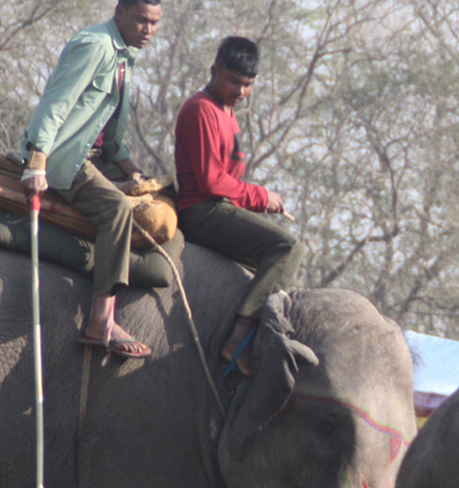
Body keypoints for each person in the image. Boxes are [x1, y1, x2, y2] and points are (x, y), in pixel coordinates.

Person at [21, 0, 161, 362]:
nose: (149, 30)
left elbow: (110, 138)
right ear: (120, 12)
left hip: (97, 156)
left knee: (159, 203)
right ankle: (101, 319)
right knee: (116, 208)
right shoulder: (95, 45)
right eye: (142, 20)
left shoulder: (124, 56)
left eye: (155, 23)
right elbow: (56, 103)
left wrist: (134, 172)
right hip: (66, 156)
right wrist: (37, 161)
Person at [174, 36, 308, 374]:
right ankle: (239, 338)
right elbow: (211, 182)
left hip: (222, 209)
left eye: (248, 84)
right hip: (202, 211)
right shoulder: (201, 109)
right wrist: (263, 197)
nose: (241, 90)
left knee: (284, 275)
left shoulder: (228, 113)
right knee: (289, 247)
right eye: (234, 81)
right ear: (214, 70)